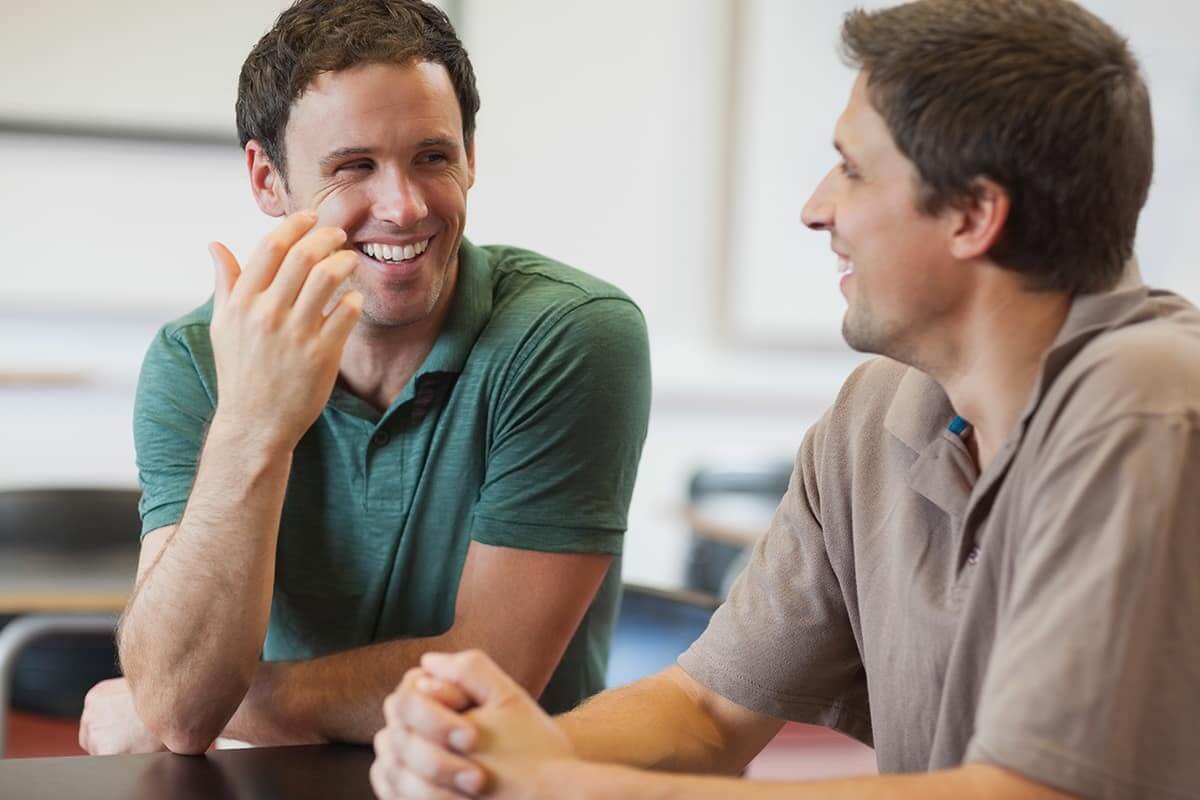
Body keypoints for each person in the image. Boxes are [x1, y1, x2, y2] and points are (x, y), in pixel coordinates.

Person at [370, 0, 1200, 797]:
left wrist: (560, 785)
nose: (816, 208)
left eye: (851, 168)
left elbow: (1027, 794)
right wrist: (480, 756)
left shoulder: (1150, 404)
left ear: (974, 214)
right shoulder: (878, 413)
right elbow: (705, 712)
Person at [77, 0, 651, 756]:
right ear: (267, 178)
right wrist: (253, 421)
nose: (404, 206)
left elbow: (491, 684)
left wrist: (226, 702)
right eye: (354, 167)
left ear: (471, 155)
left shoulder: (570, 334)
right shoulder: (195, 359)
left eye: (433, 157)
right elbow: (183, 705)